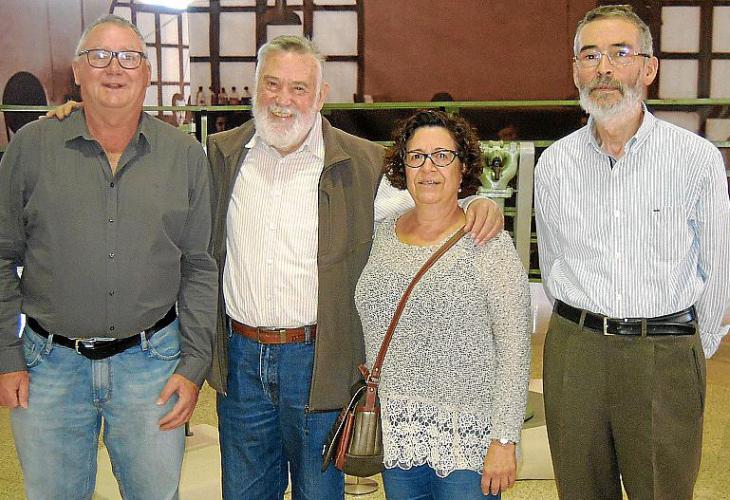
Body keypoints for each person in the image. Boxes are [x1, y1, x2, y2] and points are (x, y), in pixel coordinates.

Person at [205, 35, 504, 499]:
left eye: (299, 88)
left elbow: (430, 201)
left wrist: (476, 203)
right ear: (254, 86)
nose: (283, 100)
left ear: (321, 96)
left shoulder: (363, 162)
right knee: (244, 491)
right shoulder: (221, 155)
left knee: (318, 491)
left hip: (320, 361)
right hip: (241, 358)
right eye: (272, 84)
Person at [0, 15, 217, 500]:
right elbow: (1, 256)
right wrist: (6, 354)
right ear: (77, 71)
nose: (114, 68)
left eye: (129, 57)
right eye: (98, 56)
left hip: (152, 365)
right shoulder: (31, 149)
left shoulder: (184, 156)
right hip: (47, 367)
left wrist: (193, 363)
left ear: (147, 73)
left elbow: (199, 266)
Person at [534, 5, 730, 499]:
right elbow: (553, 263)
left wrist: (689, 349)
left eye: (620, 54)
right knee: (581, 490)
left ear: (648, 68)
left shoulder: (695, 159)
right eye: (590, 55)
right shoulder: (554, 164)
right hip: (577, 352)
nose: (604, 68)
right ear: (575, 71)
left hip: (663, 353)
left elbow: (718, 267)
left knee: (662, 490)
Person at [355, 110, 531, 500]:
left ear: (463, 165)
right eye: (416, 156)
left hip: (468, 440)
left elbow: (515, 350)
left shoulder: (488, 244)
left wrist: (505, 439)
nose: (428, 168)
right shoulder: (381, 234)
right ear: (403, 166)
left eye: (442, 156)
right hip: (398, 432)